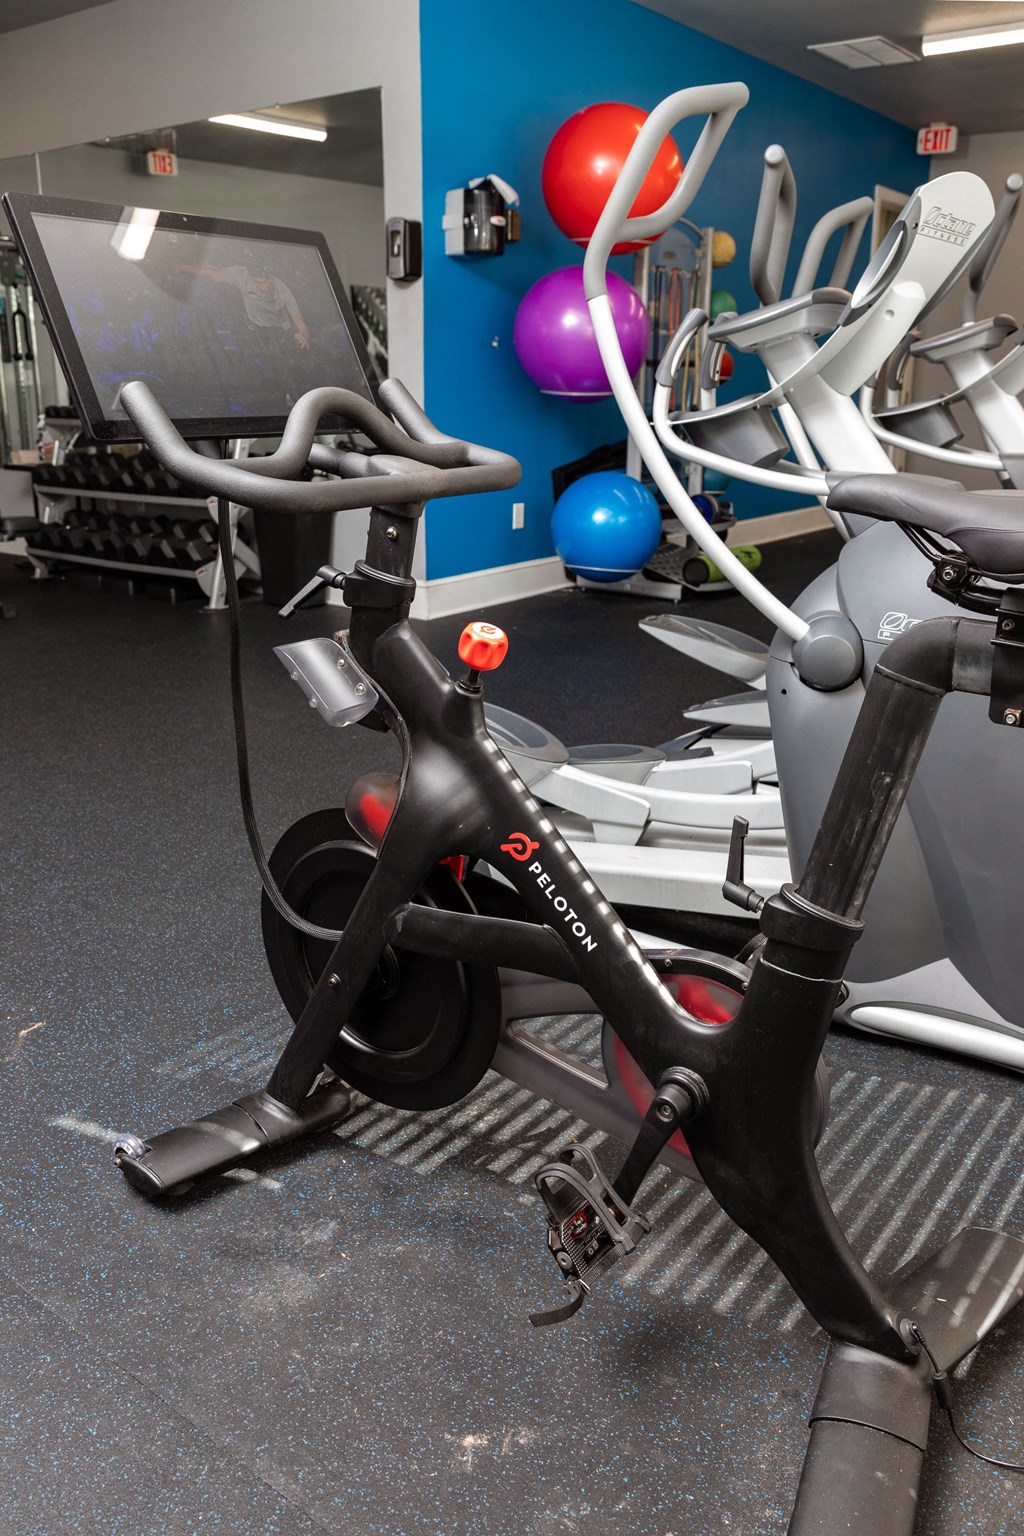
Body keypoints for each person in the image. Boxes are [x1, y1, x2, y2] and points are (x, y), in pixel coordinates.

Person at [176, 262, 311, 350]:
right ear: (251, 278)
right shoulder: (241, 276)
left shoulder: (280, 287)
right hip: (255, 330)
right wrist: (181, 267)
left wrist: (302, 333)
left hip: (281, 331)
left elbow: (298, 319)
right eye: (258, 282)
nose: (263, 287)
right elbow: (210, 272)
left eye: (266, 282)